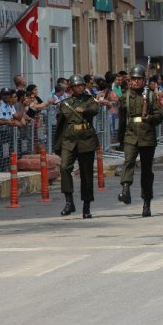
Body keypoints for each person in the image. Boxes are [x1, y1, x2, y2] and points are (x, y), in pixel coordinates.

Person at [117, 65, 163, 217]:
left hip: (147, 136)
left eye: (139, 79)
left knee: (146, 172)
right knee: (128, 161)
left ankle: (146, 202)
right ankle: (125, 188)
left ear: (144, 80)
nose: (136, 82)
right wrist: (120, 139)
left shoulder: (150, 96)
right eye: (133, 79)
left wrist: (150, 118)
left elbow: (159, 117)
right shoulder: (125, 97)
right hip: (130, 135)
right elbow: (122, 119)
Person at [53, 75, 100, 218]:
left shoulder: (90, 100)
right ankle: (69, 202)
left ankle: (86, 206)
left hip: (86, 139)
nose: (80, 88)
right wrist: (58, 145)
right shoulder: (65, 104)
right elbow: (60, 125)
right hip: (69, 139)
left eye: (82, 85)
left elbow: (94, 109)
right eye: (77, 86)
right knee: (64, 167)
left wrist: (83, 110)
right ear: (71, 88)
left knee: (86, 174)